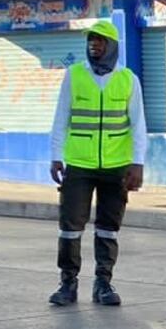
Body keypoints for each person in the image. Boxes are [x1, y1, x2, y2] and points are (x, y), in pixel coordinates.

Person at [47, 19, 147, 307]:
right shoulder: (74, 75)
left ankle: (103, 283)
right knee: (70, 227)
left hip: (116, 166)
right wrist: (56, 156)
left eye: (101, 40)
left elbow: (138, 124)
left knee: (108, 227)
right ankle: (67, 283)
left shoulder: (128, 79)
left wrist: (137, 163)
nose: (95, 44)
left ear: (112, 45)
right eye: (91, 40)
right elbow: (61, 118)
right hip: (79, 164)